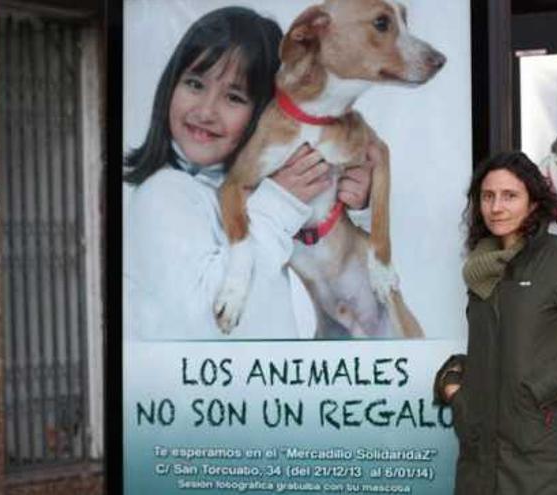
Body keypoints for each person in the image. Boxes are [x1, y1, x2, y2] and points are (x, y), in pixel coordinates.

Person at [123, 7, 373, 339]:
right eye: (195, 84)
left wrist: (350, 198)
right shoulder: (163, 194)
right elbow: (211, 322)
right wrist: (282, 202)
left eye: (233, 97)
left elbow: (330, 296)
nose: (206, 111)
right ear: (170, 85)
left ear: (265, 113)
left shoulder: (250, 195)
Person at [434, 151, 557, 494]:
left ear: (533, 203)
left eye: (510, 196)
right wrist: (458, 391)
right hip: (479, 460)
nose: (496, 207)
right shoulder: (481, 266)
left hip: (537, 459)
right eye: (487, 197)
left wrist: (536, 391)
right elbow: (493, 346)